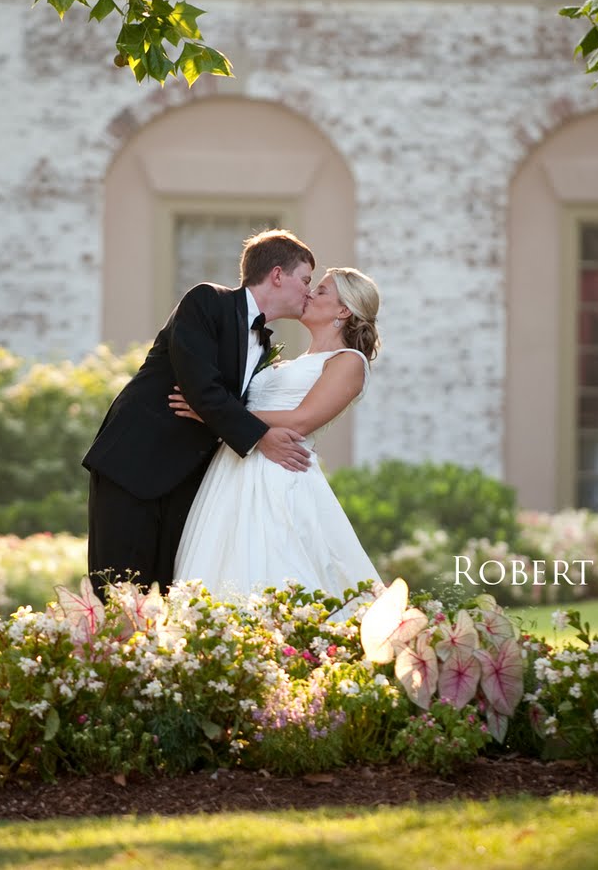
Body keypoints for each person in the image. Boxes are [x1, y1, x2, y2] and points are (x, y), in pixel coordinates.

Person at [82, 228, 318, 592]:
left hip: (191, 485)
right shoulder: (207, 301)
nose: (309, 290)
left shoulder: (263, 342)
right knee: (118, 595)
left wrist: (214, 413)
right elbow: (202, 388)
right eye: (305, 279)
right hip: (135, 465)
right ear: (276, 275)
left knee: (170, 602)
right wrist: (262, 438)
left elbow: (218, 403)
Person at [171, 267, 383, 598]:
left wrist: (213, 414)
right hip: (233, 467)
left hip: (279, 474)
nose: (311, 294)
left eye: (322, 290)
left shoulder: (348, 361)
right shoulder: (292, 361)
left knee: (273, 569)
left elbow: (301, 420)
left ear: (344, 310)